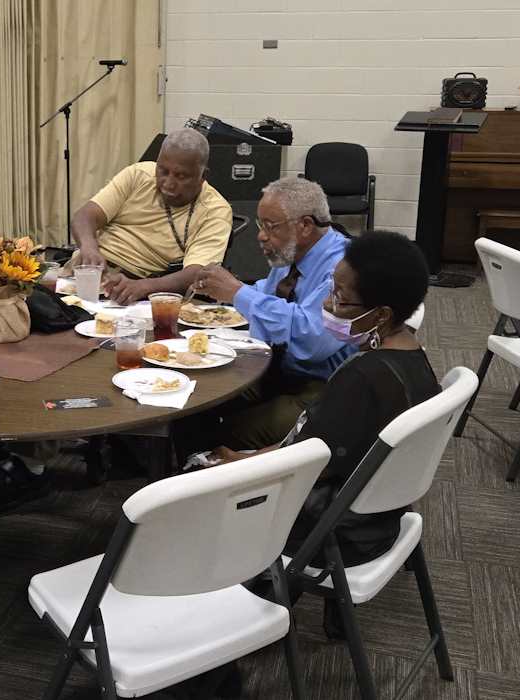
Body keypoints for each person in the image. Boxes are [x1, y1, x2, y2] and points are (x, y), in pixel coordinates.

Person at [204, 230, 436, 639]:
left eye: (341, 298)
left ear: (381, 315)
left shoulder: (359, 380)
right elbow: (312, 444)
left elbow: (300, 462)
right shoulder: (415, 361)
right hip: (378, 517)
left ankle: (221, 626)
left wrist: (237, 462)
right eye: (331, 289)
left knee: (191, 483)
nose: (328, 304)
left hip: (331, 532)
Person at [189, 176, 355, 450]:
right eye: (260, 224)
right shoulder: (290, 254)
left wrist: (237, 292)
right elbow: (267, 293)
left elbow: (312, 338)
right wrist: (220, 295)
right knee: (198, 395)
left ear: (305, 225)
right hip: (275, 367)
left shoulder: (342, 268)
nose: (261, 235)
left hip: (319, 387)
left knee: (222, 431)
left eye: (270, 226)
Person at [70, 127, 233, 305]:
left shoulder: (215, 210)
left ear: (202, 176)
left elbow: (197, 273)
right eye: (163, 171)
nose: (168, 183)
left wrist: (143, 286)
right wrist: (88, 247)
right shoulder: (138, 175)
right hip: (89, 274)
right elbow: (85, 216)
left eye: (181, 176)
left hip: (140, 287)